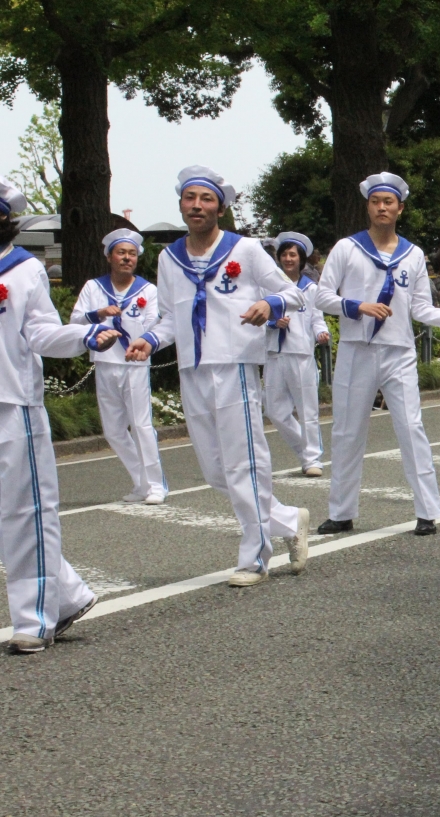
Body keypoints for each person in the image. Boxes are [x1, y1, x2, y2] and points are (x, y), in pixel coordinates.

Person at [126, 166, 310, 586]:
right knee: (215, 471)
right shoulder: (170, 258)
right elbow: (169, 317)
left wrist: (270, 305)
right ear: (181, 205)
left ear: (220, 208)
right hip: (193, 369)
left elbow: (293, 293)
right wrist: (149, 341)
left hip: (235, 365)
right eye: (190, 198)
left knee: (245, 462)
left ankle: (255, 558)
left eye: (206, 199)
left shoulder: (244, 249)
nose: (197, 206)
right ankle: (286, 519)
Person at [313, 174, 440, 536]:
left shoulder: (412, 254)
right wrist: (358, 306)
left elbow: (421, 308)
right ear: (368, 206)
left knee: (411, 427)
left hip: (398, 352)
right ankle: (341, 512)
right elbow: (322, 296)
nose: (382, 207)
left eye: (388, 202)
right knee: (347, 431)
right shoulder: (347, 248)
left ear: (400, 209)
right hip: (356, 349)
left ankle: (427, 511)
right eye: (375, 201)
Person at [0, 179, 120, 652]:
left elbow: (42, 334)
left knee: (25, 513)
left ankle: (34, 619)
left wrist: (84, 337)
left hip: (12, 405)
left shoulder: (23, 270)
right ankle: (67, 595)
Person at [69, 228, 167, 504]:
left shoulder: (148, 290)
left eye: (132, 254)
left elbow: (154, 323)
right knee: (113, 430)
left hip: (135, 363)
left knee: (141, 424)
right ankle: (141, 482)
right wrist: (98, 313)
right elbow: (75, 321)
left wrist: (142, 342)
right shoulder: (94, 287)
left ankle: (156, 484)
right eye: (121, 253)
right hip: (104, 362)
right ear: (109, 257)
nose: (127, 258)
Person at [264, 231, 329, 476]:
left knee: (307, 410)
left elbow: (316, 318)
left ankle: (313, 459)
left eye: (293, 255)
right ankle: (306, 451)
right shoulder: (268, 287)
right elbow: (257, 317)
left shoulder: (310, 288)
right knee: (275, 411)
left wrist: (321, 333)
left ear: (301, 259)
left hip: (301, 354)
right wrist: (272, 323)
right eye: (284, 255)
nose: (288, 259)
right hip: (274, 353)